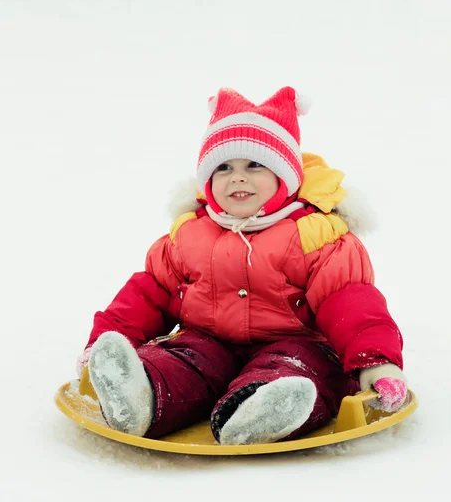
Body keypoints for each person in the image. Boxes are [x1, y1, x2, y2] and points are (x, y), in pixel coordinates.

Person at [77, 86, 408, 445]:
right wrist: (106, 342)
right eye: (223, 167)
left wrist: (375, 362)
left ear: (286, 178)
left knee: (301, 370)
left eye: (255, 165)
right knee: (183, 362)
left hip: (295, 345)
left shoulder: (315, 236)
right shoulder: (189, 235)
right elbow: (148, 293)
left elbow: (351, 303)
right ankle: (141, 395)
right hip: (207, 342)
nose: (238, 177)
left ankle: (264, 410)